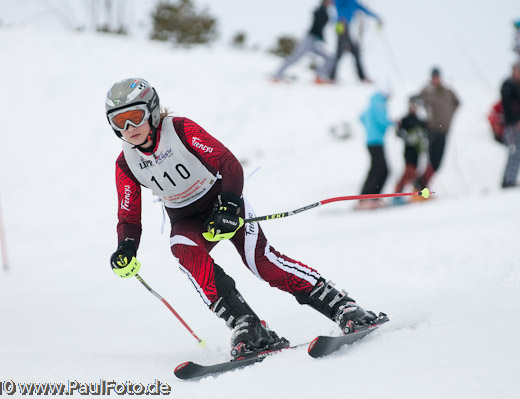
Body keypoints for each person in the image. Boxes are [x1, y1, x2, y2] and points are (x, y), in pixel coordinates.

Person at [105, 78, 384, 358]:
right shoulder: (126, 162)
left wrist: (227, 206)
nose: (129, 129)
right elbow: (128, 215)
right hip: (185, 219)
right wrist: (126, 247)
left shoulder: (179, 130)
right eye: (119, 122)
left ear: (152, 111)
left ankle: (342, 306)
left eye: (135, 117)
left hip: (222, 201)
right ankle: (247, 325)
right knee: (183, 251)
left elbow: (228, 164)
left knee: (260, 262)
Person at [417, 67, 460, 188]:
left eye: (437, 76)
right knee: (431, 161)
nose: (436, 79)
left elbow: (458, 103)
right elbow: (417, 102)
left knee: (437, 163)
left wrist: (449, 115)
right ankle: (420, 186)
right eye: (434, 77)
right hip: (432, 130)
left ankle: (423, 185)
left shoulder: (448, 91)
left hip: (444, 131)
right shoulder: (427, 91)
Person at [272, 0, 333, 83]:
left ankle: (318, 77)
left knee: (329, 58)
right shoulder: (321, 11)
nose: (331, 2)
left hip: (315, 41)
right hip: (309, 39)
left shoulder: (324, 11)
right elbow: (318, 25)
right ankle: (277, 75)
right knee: (295, 57)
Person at [325, 0, 382, 83]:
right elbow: (332, 2)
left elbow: (365, 10)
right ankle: (332, 77)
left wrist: (377, 17)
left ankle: (332, 76)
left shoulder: (354, 3)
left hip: (345, 29)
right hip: (341, 28)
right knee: (349, 52)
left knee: (345, 53)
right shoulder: (342, 1)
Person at [356, 89, 393, 210]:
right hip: (376, 142)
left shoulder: (371, 104)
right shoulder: (379, 104)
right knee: (382, 169)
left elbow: (361, 118)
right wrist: (393, 124)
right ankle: (368, 197)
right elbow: (383, 121)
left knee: (377, 169)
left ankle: (368, 197)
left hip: (371, 142)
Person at [394, 96, 429, 194]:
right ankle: (397, 193)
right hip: (408, 150)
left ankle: (418, 193)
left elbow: (426, 132)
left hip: (418, 151)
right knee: (409, 172)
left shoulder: (420, 121)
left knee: (416, 172)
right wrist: (404, 134)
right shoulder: (405, 119)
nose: (414, 107)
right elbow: (398, 133)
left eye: (416, 105)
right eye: (412, 105)